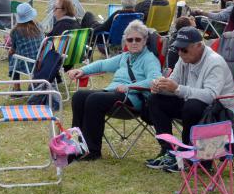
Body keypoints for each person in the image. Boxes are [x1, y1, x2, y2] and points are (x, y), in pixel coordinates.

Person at [66, 20, 162, 160]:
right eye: (130, 40)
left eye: (138, 39)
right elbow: (102, 64)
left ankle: (93, 151)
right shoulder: (125, 57)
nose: (134, 42)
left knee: (95, 99)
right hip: (112, 94)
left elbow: (155, 80)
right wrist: (81, 70)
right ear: (125, 42)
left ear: (145, 40)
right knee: (79, 96)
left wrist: (129, 87)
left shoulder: (149, 59)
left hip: (132, 99)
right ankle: (78, 145)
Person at [145, 27, 234, 171]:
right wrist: (160, 86)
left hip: (219, 110)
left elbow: (209, 96)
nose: (180, 53)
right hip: (193, 104)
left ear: (199, 46)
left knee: (192, 105)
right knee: (155, 99)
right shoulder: (184, 59)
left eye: (184, 49)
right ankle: (169, 151)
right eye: (178, 49)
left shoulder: (214, 62)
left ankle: (189, 155)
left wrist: (177, 88)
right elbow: (174, 82)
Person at [8, 3, 43, 88]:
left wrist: (10, 52)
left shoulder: (15, 31)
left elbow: (14, 49)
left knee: (11, 55)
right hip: (42, 61)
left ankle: (16, 88)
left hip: (28, 64)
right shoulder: (38, 26)